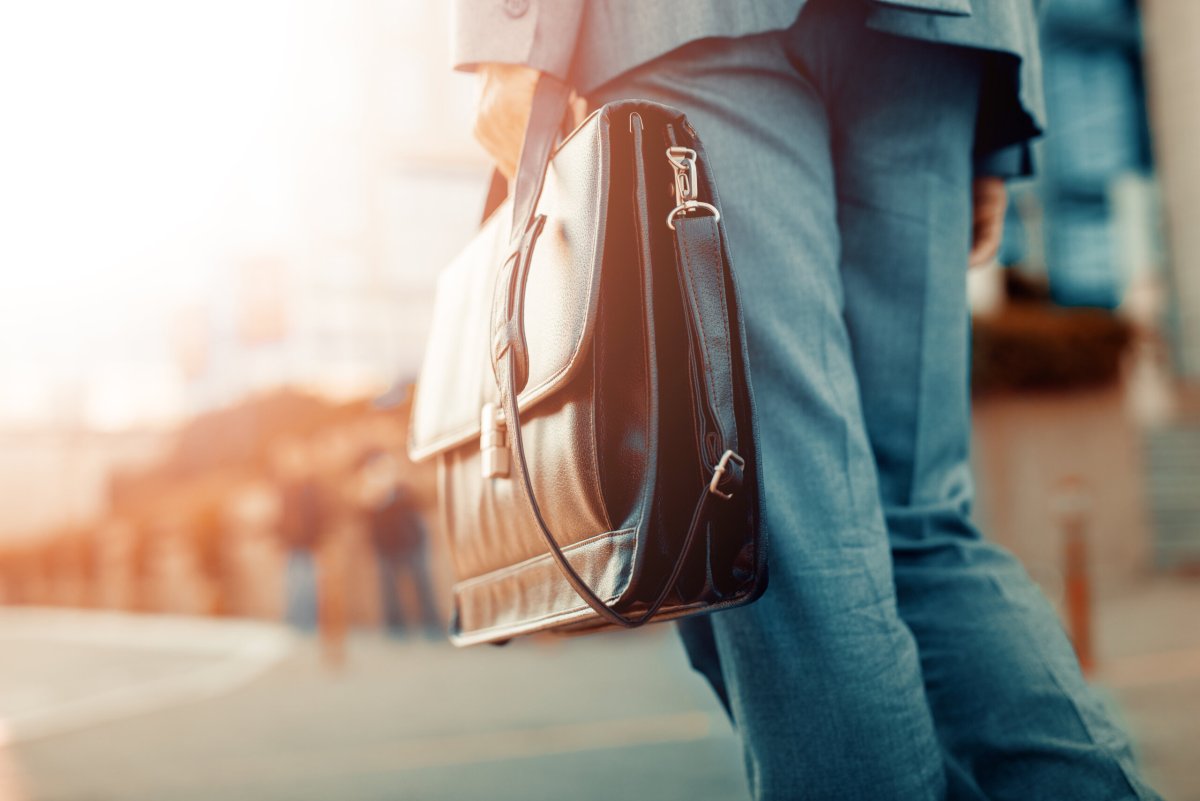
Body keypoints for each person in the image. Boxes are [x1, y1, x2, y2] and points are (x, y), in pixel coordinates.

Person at [453, 1, 1162, 799]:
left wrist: (509, 30)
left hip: (687, 24)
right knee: (920, 526)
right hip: (936, 32)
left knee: (781, 541)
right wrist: (996, 112)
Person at [356, 450, 440, 637]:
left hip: (411, 544)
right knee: (389, 592)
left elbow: (421, 504)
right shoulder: (369, 496)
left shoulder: (404, 489)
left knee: (422, 587)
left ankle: (432, 626)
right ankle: (396, 629)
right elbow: (364, 516)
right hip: (385, 548)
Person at [271, 435, 326, 631]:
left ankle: (308, 625)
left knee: (308, 587)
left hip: (308, 544)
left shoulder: (311, 487)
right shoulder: (286, 488)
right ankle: (295, 624)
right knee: (292, 587)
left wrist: (317, 539)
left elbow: (319, 515)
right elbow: (281, 517)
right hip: (291, 545)